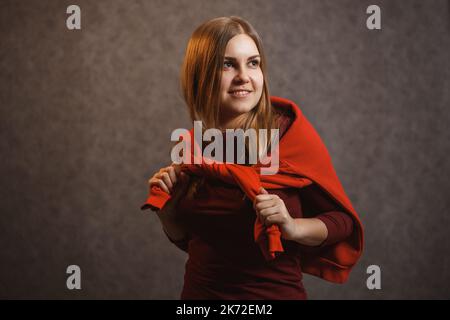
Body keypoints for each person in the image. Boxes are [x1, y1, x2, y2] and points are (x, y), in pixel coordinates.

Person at [141, 16, 363, 300]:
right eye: (227, 64)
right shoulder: (195, 147)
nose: (244, 76)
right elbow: (195, 242)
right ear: (201, 74)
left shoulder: (289, 136)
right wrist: (168, 214)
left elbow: (342, 222)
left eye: (253, 63)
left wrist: (292, 227)